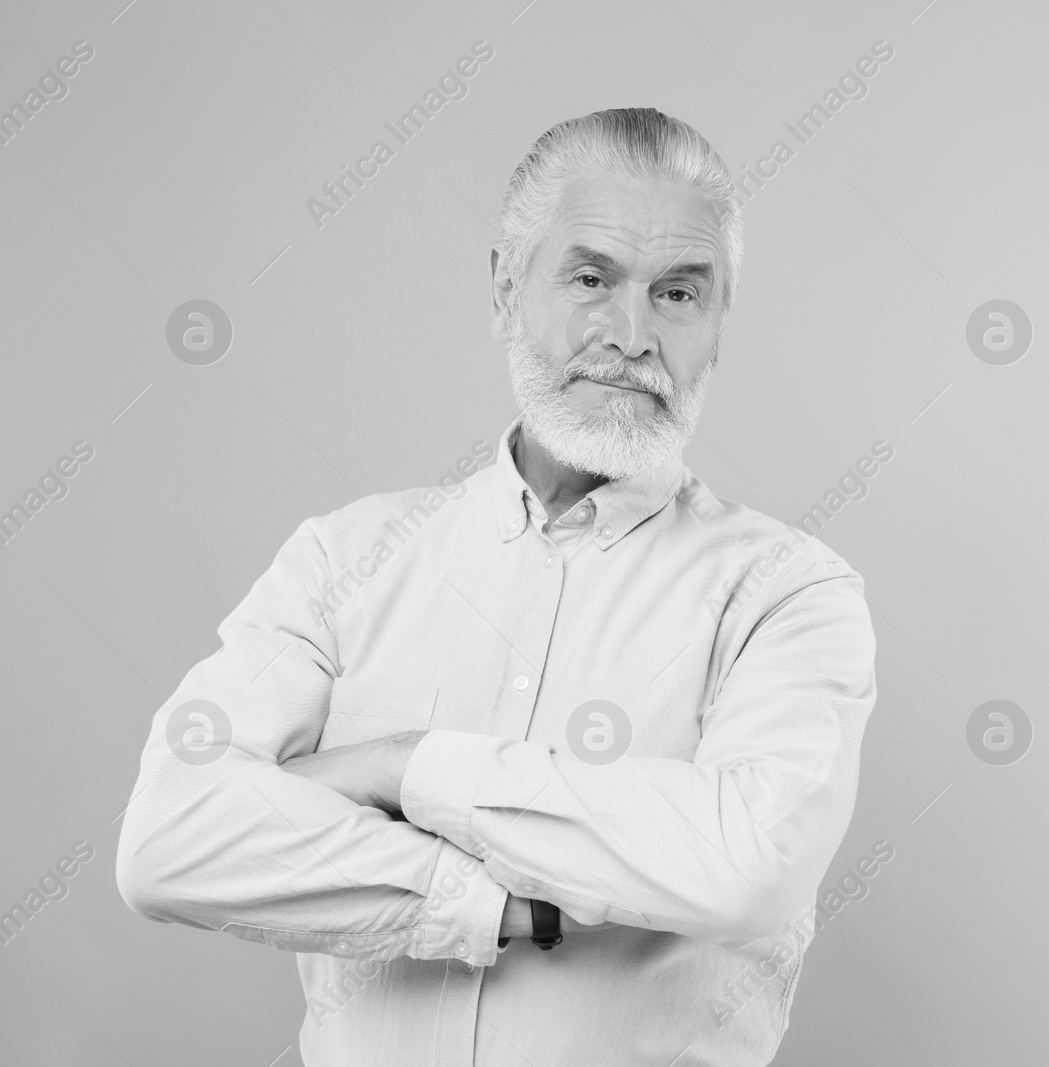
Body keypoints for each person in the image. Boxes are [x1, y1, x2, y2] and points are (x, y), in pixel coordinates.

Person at [115, 107, 877, 1066]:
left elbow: (746, 869)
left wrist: (400, 769)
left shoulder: (787, 594)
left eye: (679, 293)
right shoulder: (342, 559)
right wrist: (503, 905)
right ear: (506, 290)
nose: (633, 336)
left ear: (718, 329)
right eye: (591, 278)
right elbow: (170, 843)